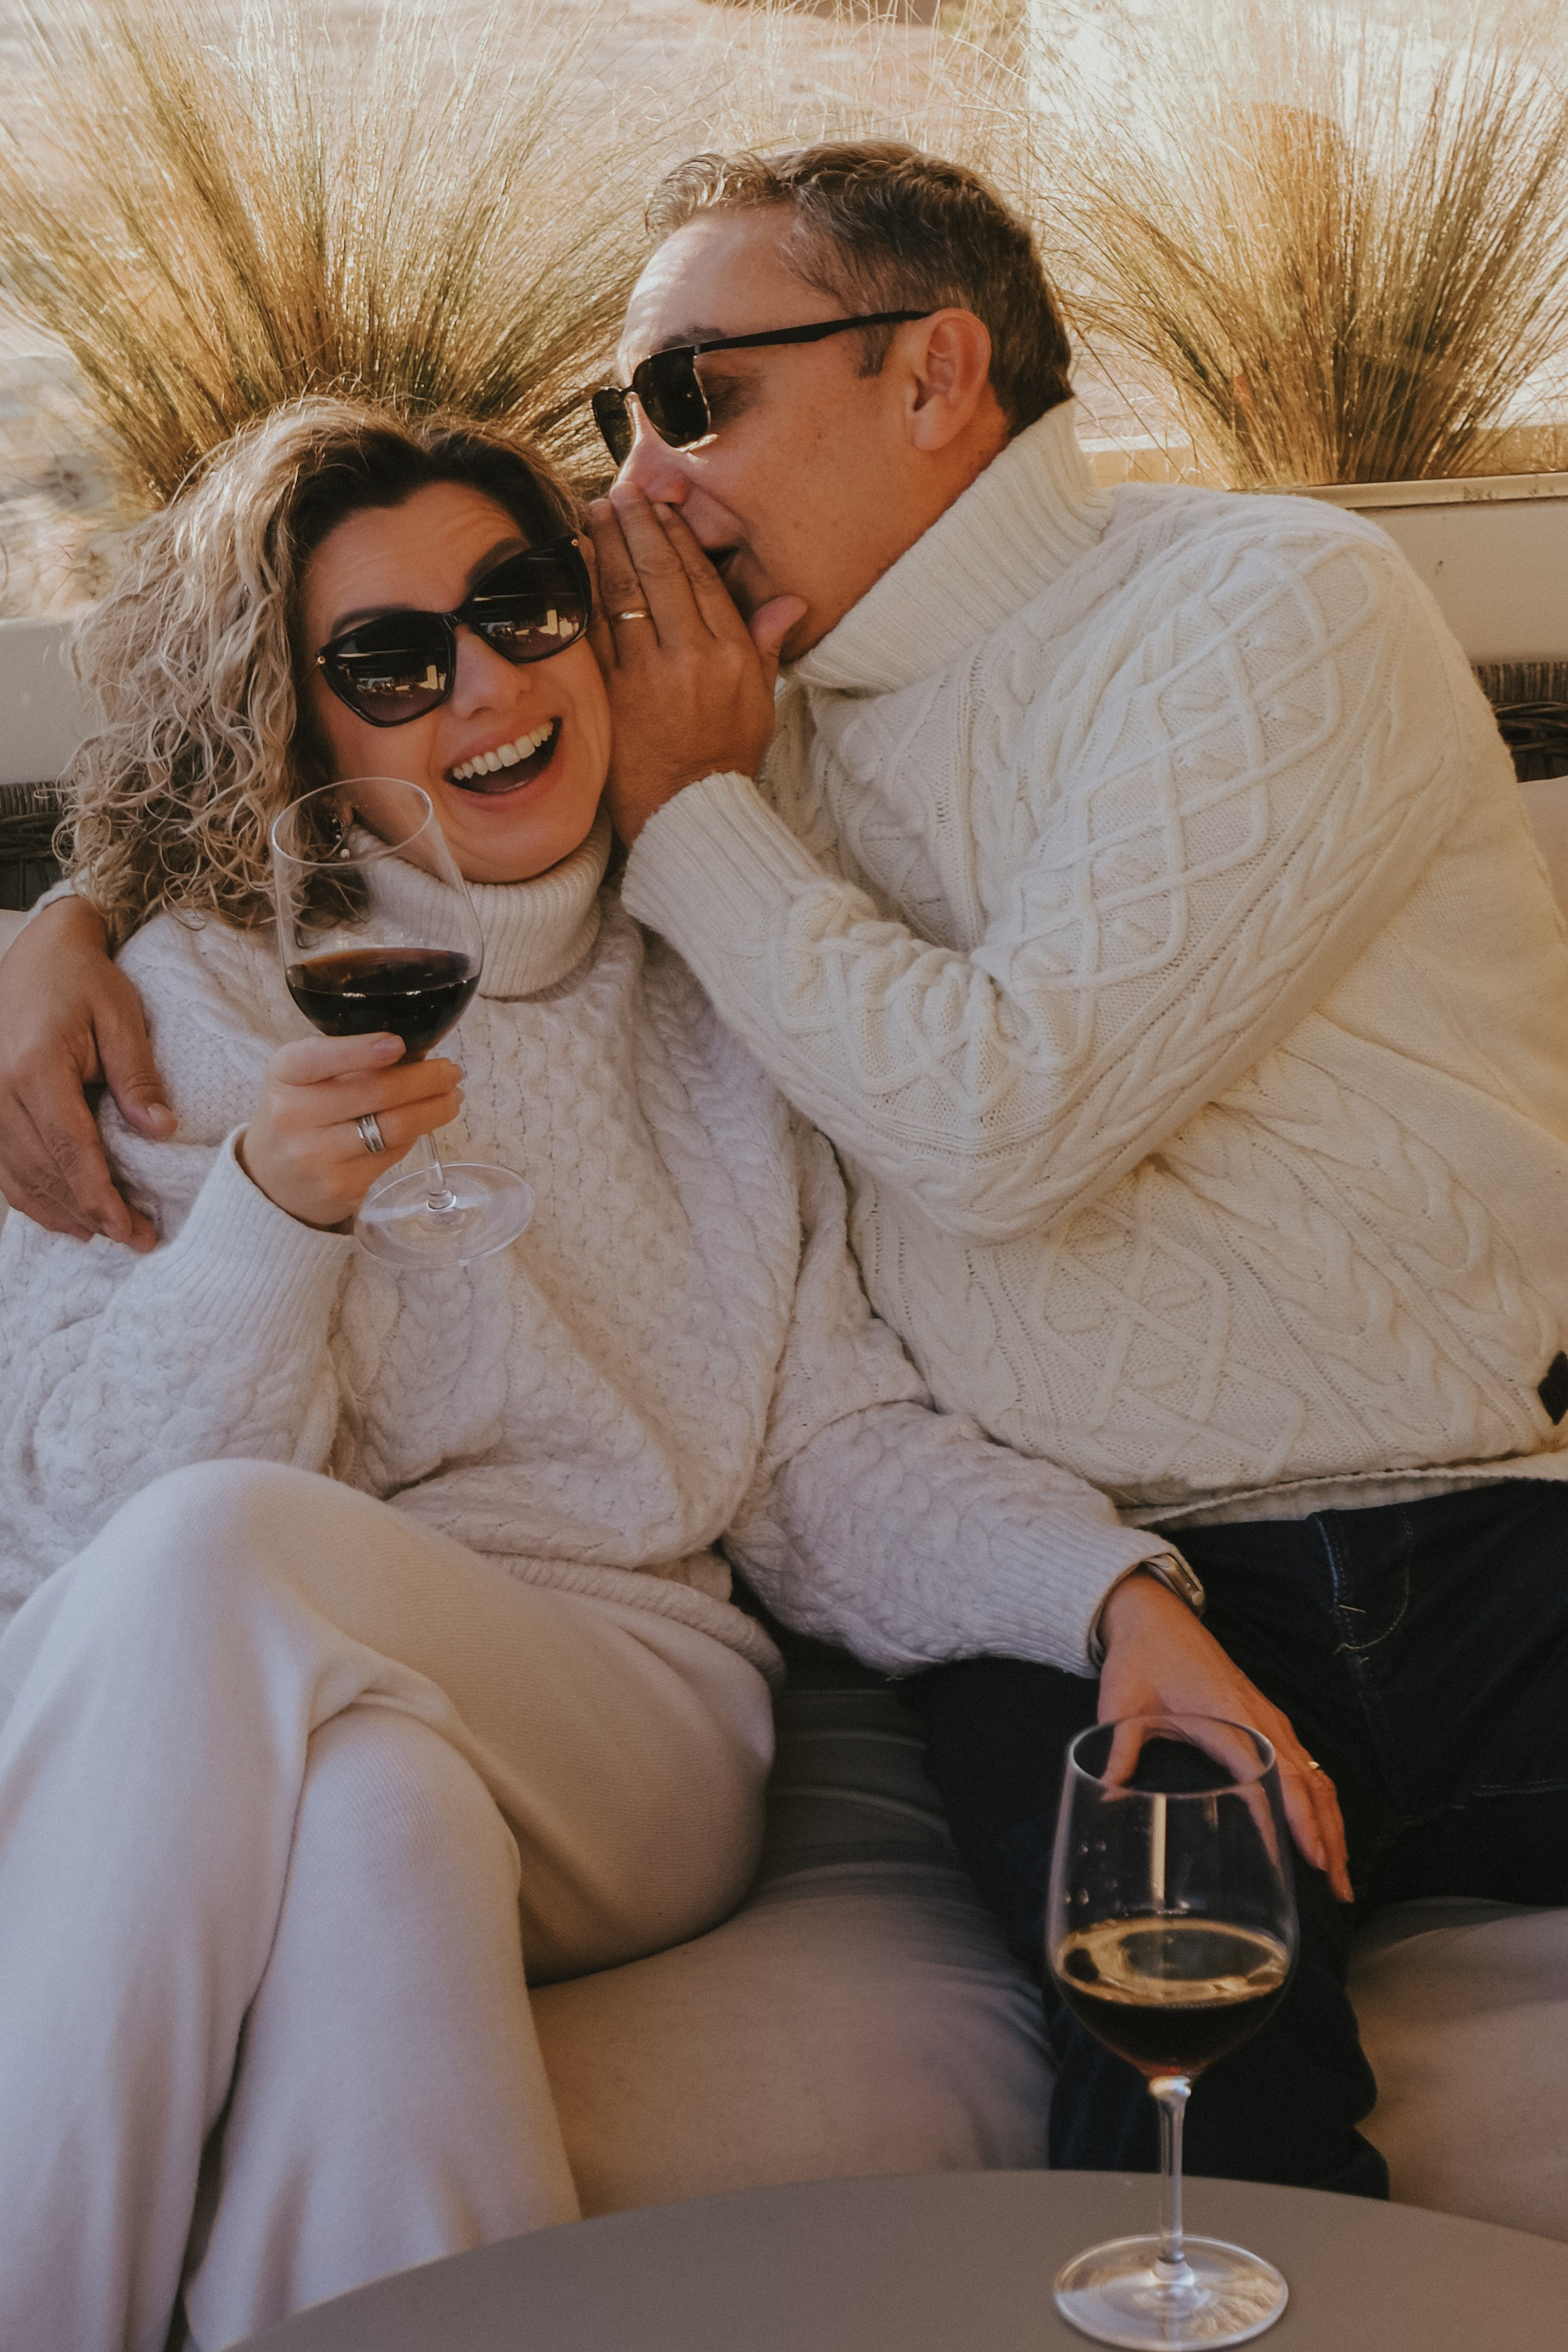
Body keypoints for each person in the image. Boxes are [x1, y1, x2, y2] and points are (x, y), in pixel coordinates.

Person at [7, 141, 1568, 2201]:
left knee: (231, 1574)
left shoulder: (1237, 614)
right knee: (1186, 2059)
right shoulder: (745, 728)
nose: (642, 484)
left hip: (1460, 1538)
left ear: (933, 375)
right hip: (1073, 1576)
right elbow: (345, 755)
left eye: (687, 397)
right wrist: (79, 924)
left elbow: (986, 1138)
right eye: (622, 426)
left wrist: (692, 804)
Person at [0, 395, 1178, 2352]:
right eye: (390, 660)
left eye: (519, 604)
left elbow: (822, 1452)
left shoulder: (719, 981)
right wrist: (268, 1225)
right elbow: (72, 1530)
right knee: (377, 1818)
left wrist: (1101, 1591)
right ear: (305, 723)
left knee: (228, 1553)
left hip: (625, 1714)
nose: (480, 681)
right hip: (303, 1717)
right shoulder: (168, 1003)